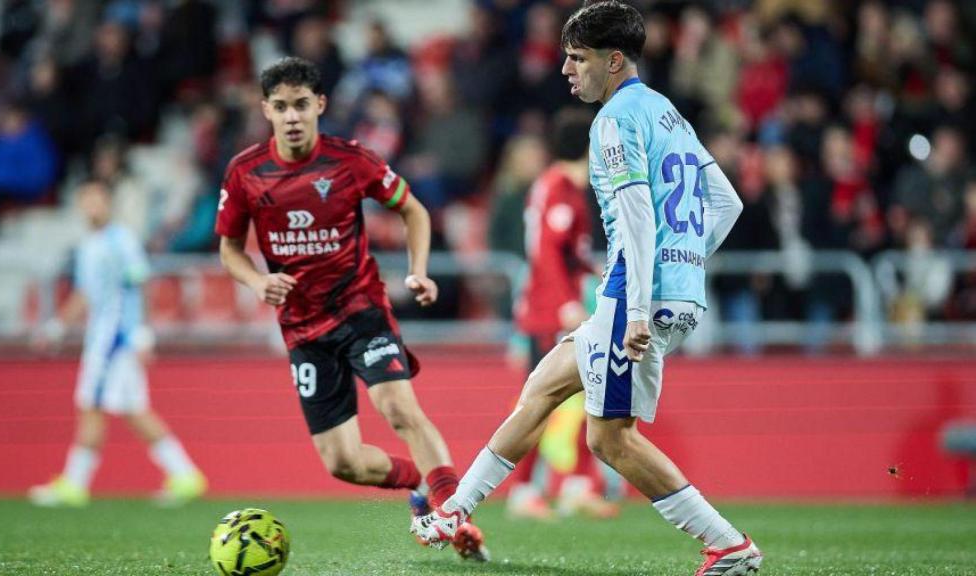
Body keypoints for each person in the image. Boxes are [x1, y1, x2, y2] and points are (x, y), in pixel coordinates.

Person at [411, 3, 762, 575]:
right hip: (663, 289)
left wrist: (641, 304)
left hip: (634, 296)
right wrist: (683, 264)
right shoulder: (667, 112)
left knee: (610, 440)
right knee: (543, 386)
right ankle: (455, 511)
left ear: (613, 60)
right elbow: (726, 202)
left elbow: (637, 214)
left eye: (577, 58)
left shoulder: (614, 120)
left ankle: (729, 545)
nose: (566, 70)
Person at [215, 56, 487, 561]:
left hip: (361, 309)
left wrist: (419, 270)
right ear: (266, 110)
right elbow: (229, 248)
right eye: (281, 106)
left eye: (301, 104)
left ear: (319, 105)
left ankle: (453, 514)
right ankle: (421, 486)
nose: (292, 116)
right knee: (343, 462)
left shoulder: (350, 160)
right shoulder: (245, 172)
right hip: (303, 330)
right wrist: (257, 280)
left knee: (398, 408)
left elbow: (413, 210)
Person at [29, 180, 206, 507]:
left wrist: (142, 333)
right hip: (101, 335)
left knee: (93, 404)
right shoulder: (88, 245)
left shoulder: (121, 240)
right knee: (131, 409)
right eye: (86, 200)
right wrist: (57, 327)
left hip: (115, 337)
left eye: (97, 199)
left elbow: (140, 284)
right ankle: (184, 475)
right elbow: (85, 294)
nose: (92, 206)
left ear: (108, 203)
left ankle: (75, 484)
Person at [508, 107, 619, 520]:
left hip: (559, 310)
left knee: (592, 393)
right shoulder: (557, 187)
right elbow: (545, 251)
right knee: (539, 403)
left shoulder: (566, 189)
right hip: (549, 315)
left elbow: (569, 254)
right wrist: (563, 303)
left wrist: (596, 273)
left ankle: (576, 486)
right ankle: (523, 492)